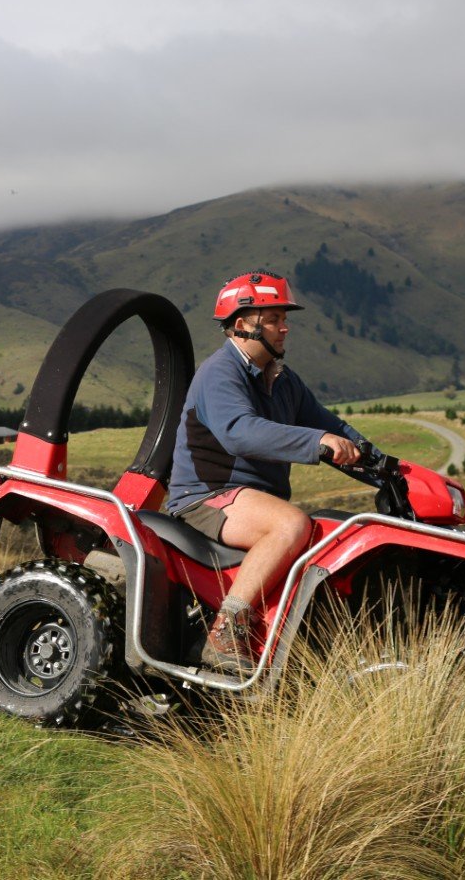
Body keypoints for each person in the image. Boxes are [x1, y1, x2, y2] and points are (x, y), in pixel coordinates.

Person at [165, 271, 368, 672]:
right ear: (242, 324)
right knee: (290, 525)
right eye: (274, 318)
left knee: (336, 536)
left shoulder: (282, 379)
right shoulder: (219, 372)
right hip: (207, 496)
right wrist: (317, 443)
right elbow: (240, 432)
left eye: (283, 318)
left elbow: (336, 428)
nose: (284, 327)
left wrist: (390, 468)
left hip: (250, 501)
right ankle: (226, 630)